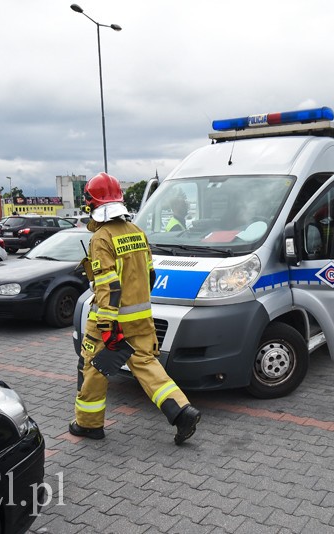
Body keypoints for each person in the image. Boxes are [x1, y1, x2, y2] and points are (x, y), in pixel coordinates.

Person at [70, 172, 200, 444]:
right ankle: (182, 412)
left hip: (110, 320)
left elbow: (108, 286)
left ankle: (89, 424)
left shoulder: (101, 238)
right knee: (147, 365)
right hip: (140, 319)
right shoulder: (137, 232)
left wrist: (107, 326)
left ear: (92, 204)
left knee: (93, 368)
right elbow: (150, 276)